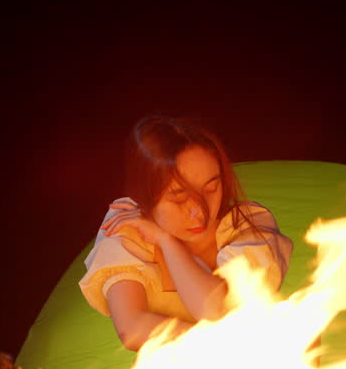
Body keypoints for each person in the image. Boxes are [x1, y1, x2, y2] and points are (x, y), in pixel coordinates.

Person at [79, 116, 294, 351]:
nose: (198, 212)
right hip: (184, 368)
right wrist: (166, 243)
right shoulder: (129, 226)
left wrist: (168, 243)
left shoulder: (245, 225)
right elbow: (132, 328)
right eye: (179, 196)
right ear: (144, 195)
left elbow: (217, 312)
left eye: (211, 188)